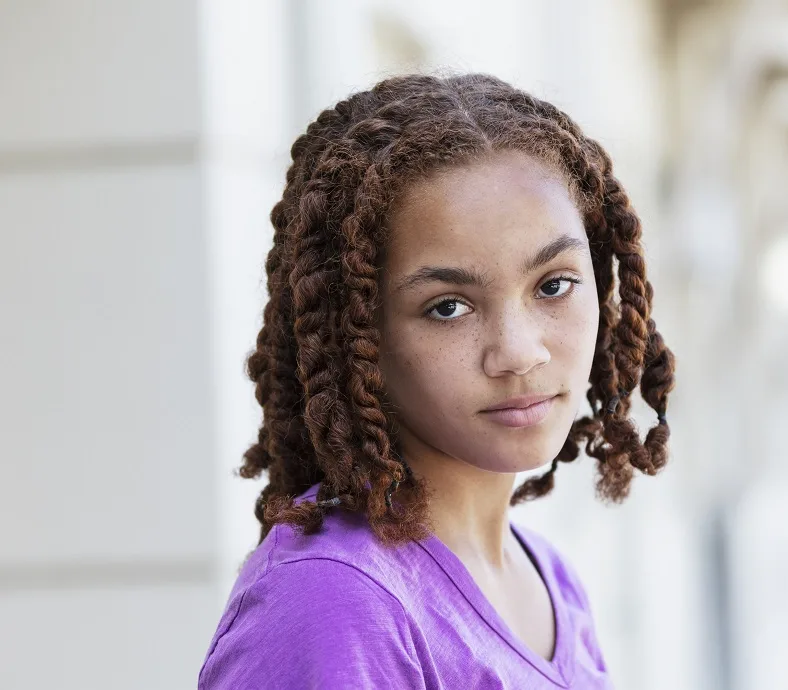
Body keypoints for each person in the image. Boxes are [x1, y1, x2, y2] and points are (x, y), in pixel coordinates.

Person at [197, 71, 675, 689]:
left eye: (553, 285)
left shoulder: (550, 583)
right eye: (448, 306)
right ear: (359, 332)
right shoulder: (335, 602)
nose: (518, 353)